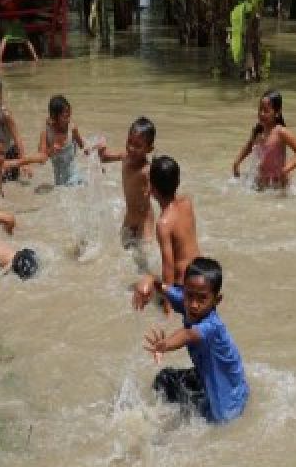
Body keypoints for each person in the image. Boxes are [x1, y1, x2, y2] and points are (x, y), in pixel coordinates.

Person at [141, 257, 249, 424]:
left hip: (228, 402)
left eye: (202, 299)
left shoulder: (212, 326)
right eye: (189, 295)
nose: (193, 305)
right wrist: (148, 282)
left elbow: (188, 335)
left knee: (216, 422)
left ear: (216, 300)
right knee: (164, 379)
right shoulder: (187, 301)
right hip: (209, 376)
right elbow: (162, 287)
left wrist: (166, 344)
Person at [133, 155, 200, 310]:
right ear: (178, 182)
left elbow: (168, 267)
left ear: (152, 189)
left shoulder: (164, 224)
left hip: (183, 286)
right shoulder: (187, 202)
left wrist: (168, 306)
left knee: (144, 283)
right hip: (200, 275)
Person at [232, 89, 296, 190]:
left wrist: (285, 170)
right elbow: (249, 147)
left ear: (277, 112)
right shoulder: (258, 130)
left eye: (266, 110)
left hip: (278, 185)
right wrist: (237, 162)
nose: (261, 113)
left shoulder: (281, 132)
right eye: (260, 109)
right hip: (260, 182)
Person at [98, 117, 156, 247]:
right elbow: (104, 157)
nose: (131, 148)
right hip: (129, 217)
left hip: (144, 219)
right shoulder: (125, 157)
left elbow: (163, 190)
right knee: (121, 249)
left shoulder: (147, 170)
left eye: (138, 145)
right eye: (129, 142)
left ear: (149, 149)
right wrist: (101, 148)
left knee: (145, 254)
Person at [33, 95, 92, 186]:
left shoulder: (72, 129)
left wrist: (89, 150)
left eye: (69, 112)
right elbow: (40, 160)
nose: (68, 117)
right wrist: (51, 150)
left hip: (75, 176)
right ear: (54, 116)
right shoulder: (46, 133)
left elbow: (83, 146)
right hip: (59, 182)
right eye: (65, 114)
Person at [0, 0, 39, 66]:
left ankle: (36, 58)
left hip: (15, 17)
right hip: (6, 18)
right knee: (5, 38)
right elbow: (2, 3)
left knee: (25, 38)